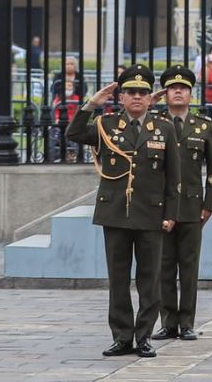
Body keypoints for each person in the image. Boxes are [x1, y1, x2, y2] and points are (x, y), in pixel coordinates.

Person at [67, 64, 180, 358]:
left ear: (150, 97)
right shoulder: (106, 126)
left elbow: (173, 177)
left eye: (143, 93)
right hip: (115, 213)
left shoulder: (164, 128)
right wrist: (92, 104)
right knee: (118, 279)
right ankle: (121, 336)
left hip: (150, 214)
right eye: (131, 92)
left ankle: (144, 336)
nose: (137, 98)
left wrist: (171, 214)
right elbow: (74, 132)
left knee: (149, 280)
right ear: (121, 97)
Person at [150, 65, 212, 343]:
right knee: (164, 265)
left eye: (183, 88)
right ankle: (168, 321)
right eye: (172, 88)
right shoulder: (154, 123)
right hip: (160, 206)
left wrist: (211, 203)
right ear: (164, 92)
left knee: (189, 266)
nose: (178, 92)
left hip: (192, 206)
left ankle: (187, 322)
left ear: (191, 94)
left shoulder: (204, 126)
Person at [48, 57, 87, 163]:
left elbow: (84, 90)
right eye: (66, 64)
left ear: (75, 66)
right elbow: (53, 90)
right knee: (56, 134)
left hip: (74, 113)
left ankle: (75, 155)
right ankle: (54, 155)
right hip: (60, 111)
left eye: (71, 64)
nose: (69, 66)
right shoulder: (58, 76)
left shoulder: (79, 77)